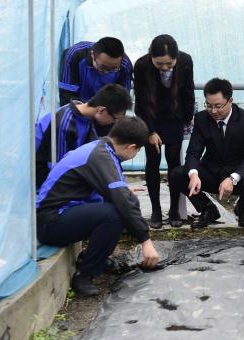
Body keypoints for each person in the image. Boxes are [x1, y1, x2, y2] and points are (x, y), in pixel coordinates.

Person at [35, 117, 160, 296]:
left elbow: (121, 194)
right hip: (49, 222)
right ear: (131, 147)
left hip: (62, 213)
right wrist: (146, 241)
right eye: (138, 150)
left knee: (128, 201)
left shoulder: (102, 148)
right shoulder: (101, 156)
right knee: (114, 214)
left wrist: (125, 192)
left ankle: (94, 256)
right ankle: (84, 275)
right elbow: (121, 200)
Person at [168, 78, 244, 228]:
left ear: (230, 101)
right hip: (211, 171)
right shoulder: (201, 118)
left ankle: (242, 209)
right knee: (177, 174)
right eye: (209, 105)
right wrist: (193, 174)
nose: (213, 111)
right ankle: (208, 209)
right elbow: (193, 152)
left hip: (237, 172)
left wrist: (233, 178)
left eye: (218, 106)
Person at [133, 34, 196, 229]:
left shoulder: (186, 61)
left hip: (175, 116)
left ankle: (174, 209)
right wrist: (150, 131)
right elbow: (141, 102)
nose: (165, 67)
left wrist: (187, 118)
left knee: (174, 161)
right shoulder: (141, 65)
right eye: (159, 63)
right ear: (151, 56)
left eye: (169, 63)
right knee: (153, 161)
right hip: (151, 116)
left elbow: (188, 91)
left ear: (176, 57)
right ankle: (156, 210)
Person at [34, 83, 132, 189]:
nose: (114, 123)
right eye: (115, 119)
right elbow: (58, 171)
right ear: (102, 110)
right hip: (46, 181)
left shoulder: (86, 117)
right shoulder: (66, 124)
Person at [59, 37, 133, 105]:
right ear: (92, 55)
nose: (106, 72)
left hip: (104, 110)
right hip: (78, 104)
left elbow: (122, 100)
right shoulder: (76, 54)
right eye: (103, 67)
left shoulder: (125, 65)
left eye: (113, 69)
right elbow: (67, 93)